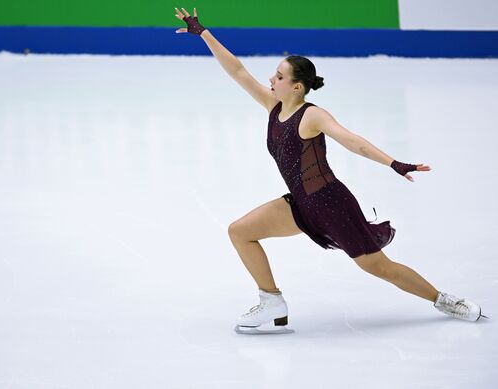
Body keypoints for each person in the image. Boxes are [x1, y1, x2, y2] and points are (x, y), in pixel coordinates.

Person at [174, 8, 486, 334]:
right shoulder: (273, 105)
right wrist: (204, 33)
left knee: (378, 267)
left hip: (332, 204)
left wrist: (393, 163)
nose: (271, 80)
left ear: (297, 87)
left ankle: (444, 299)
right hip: (301, 204)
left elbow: (353, 142)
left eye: (279, 77)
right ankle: (271, 300)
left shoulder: (312, 116)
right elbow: (238, 71)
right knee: (240, 231)